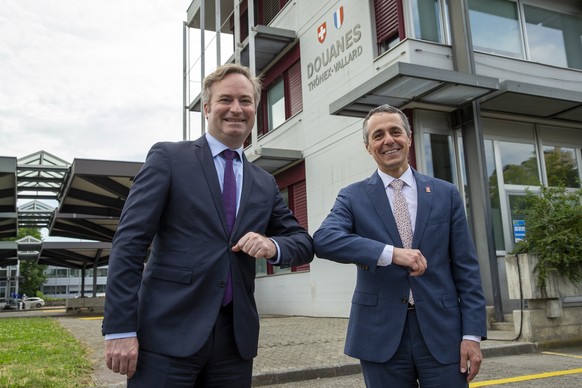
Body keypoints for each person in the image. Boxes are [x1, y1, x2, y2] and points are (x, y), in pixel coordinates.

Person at [102, 63, 314, 387]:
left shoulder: (264, 182)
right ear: (206, 107)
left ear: (255, 109)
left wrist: (274, 246)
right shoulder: (168, 158)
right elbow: (129, 244)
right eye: (225, 99)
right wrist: (119, 328)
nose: (235, 109)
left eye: (245, 101)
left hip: (234, 343)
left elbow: (301, 242)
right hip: (166, 335)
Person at [313, 104, 487, 387]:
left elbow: (467, 268)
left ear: (409, 136)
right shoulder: (352, 197)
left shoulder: (446, 194)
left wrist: (472, 335)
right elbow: (324, 240)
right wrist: (390, 254)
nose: (388, 140)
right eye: (378, 135)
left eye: (395, 131)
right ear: (368, 146)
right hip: (379, 335)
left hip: (443, 333)